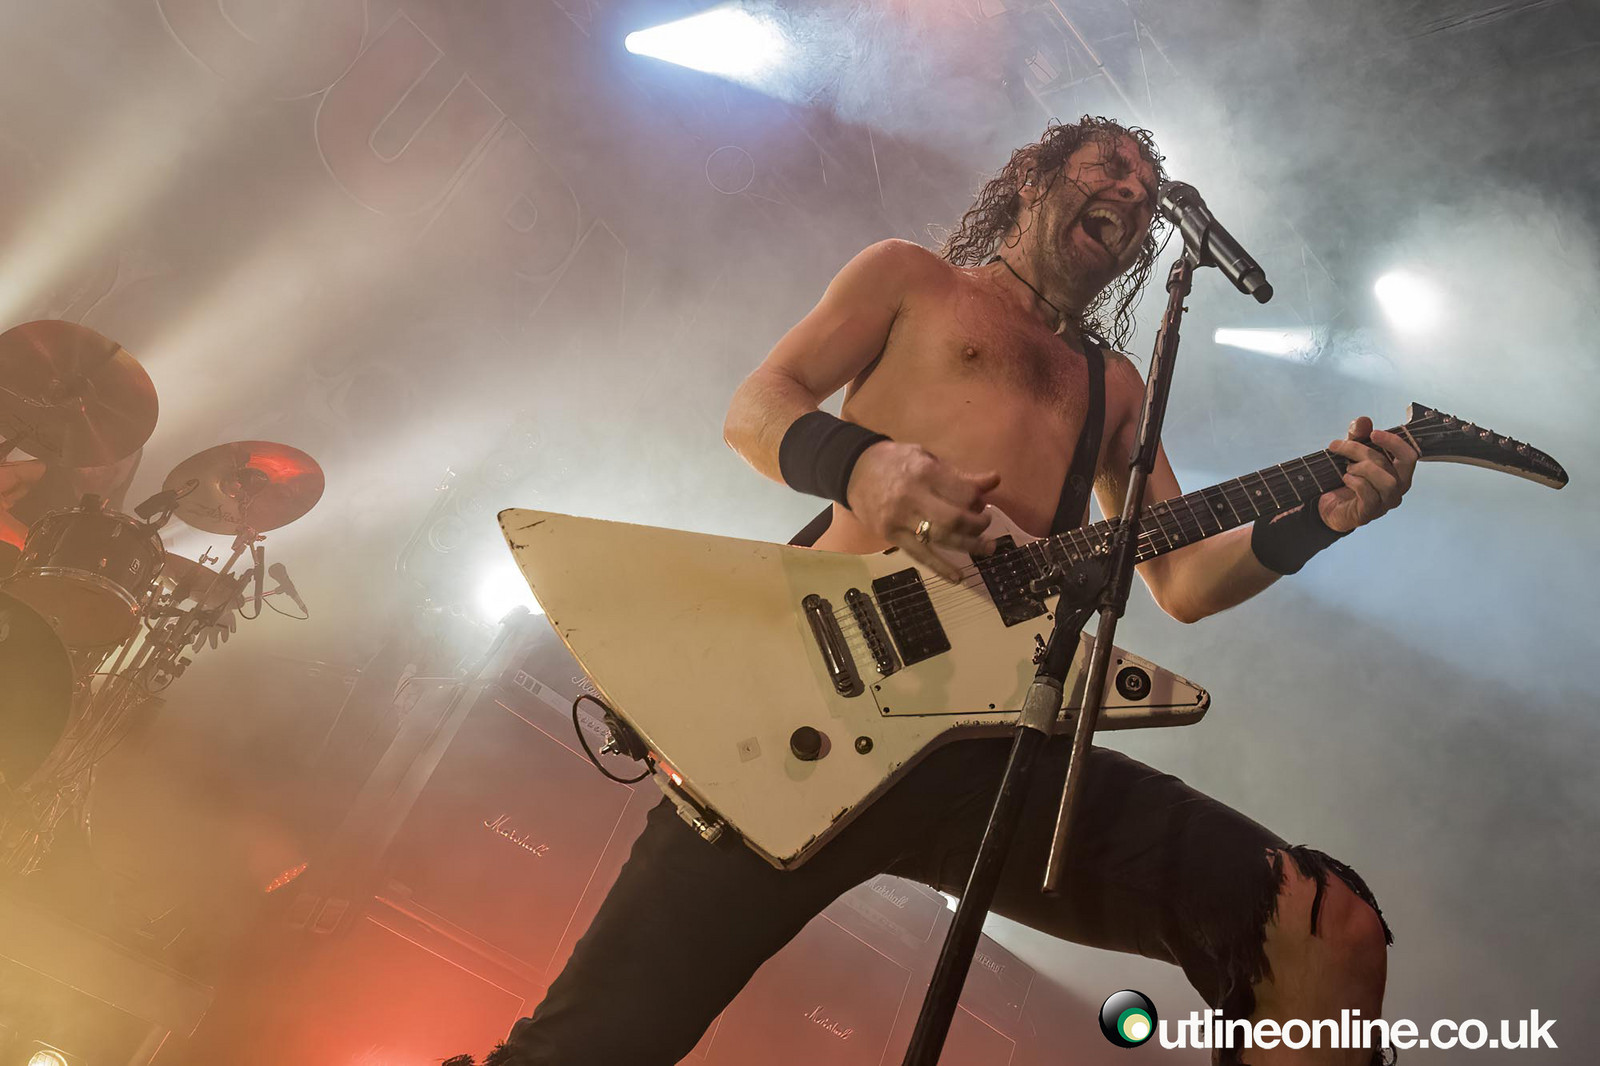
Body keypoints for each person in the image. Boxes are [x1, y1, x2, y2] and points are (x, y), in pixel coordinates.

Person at [453, 116, 1416, 1066]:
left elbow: (1185, 581)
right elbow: (757, 407)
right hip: (801, 721)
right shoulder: (911, 280)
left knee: (1317, 927)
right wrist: (863, 467)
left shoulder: (1117, 386)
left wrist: (1316, 521)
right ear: (1034, 179)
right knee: (584, 1051)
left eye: (1146, 192)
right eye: (1109, 167)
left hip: (988, 743)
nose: (1131, 192)